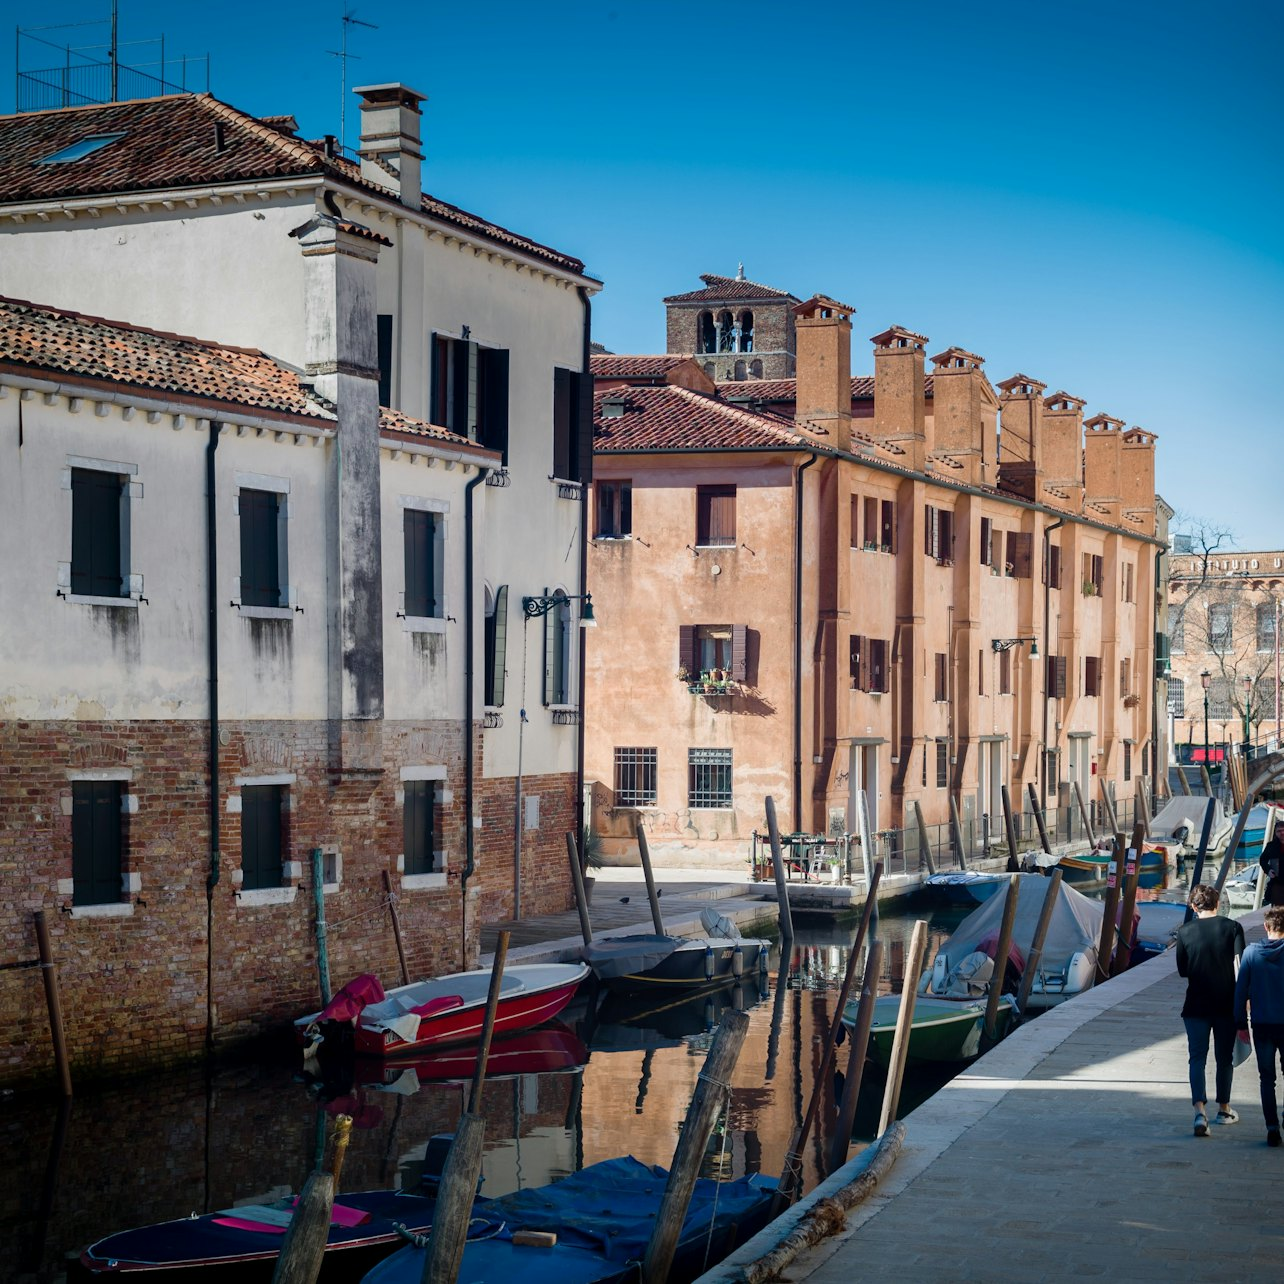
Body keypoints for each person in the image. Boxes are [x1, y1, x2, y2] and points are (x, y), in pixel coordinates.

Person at [1176, 884, 1244, 1136]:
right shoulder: (1233, 928)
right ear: (1218, 904)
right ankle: (1224, 1108)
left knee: (1197, 1057)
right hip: (1226, 1004)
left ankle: (1199, 1112)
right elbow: (1241, 966)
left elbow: (1183, 970)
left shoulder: (1184, 932)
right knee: (1224, 1058)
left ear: (1194, 907)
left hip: (1195, 1004)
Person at [1234, 904, 1284, 1146]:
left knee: (1267, 1078)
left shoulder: (1251, 953)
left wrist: (1240, 1022)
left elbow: (1240, 991)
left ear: (1266, 927)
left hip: (1262, 1024)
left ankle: (1272, 1127)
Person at [1259, 825, 1284, 907]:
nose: (1282, 833)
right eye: (1279, 831)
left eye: (1283, 830)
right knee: (1277, 909)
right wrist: (1268, 870)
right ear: (1275, 833)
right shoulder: (1271, 845)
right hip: (1277, 880)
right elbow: (1263, 860)